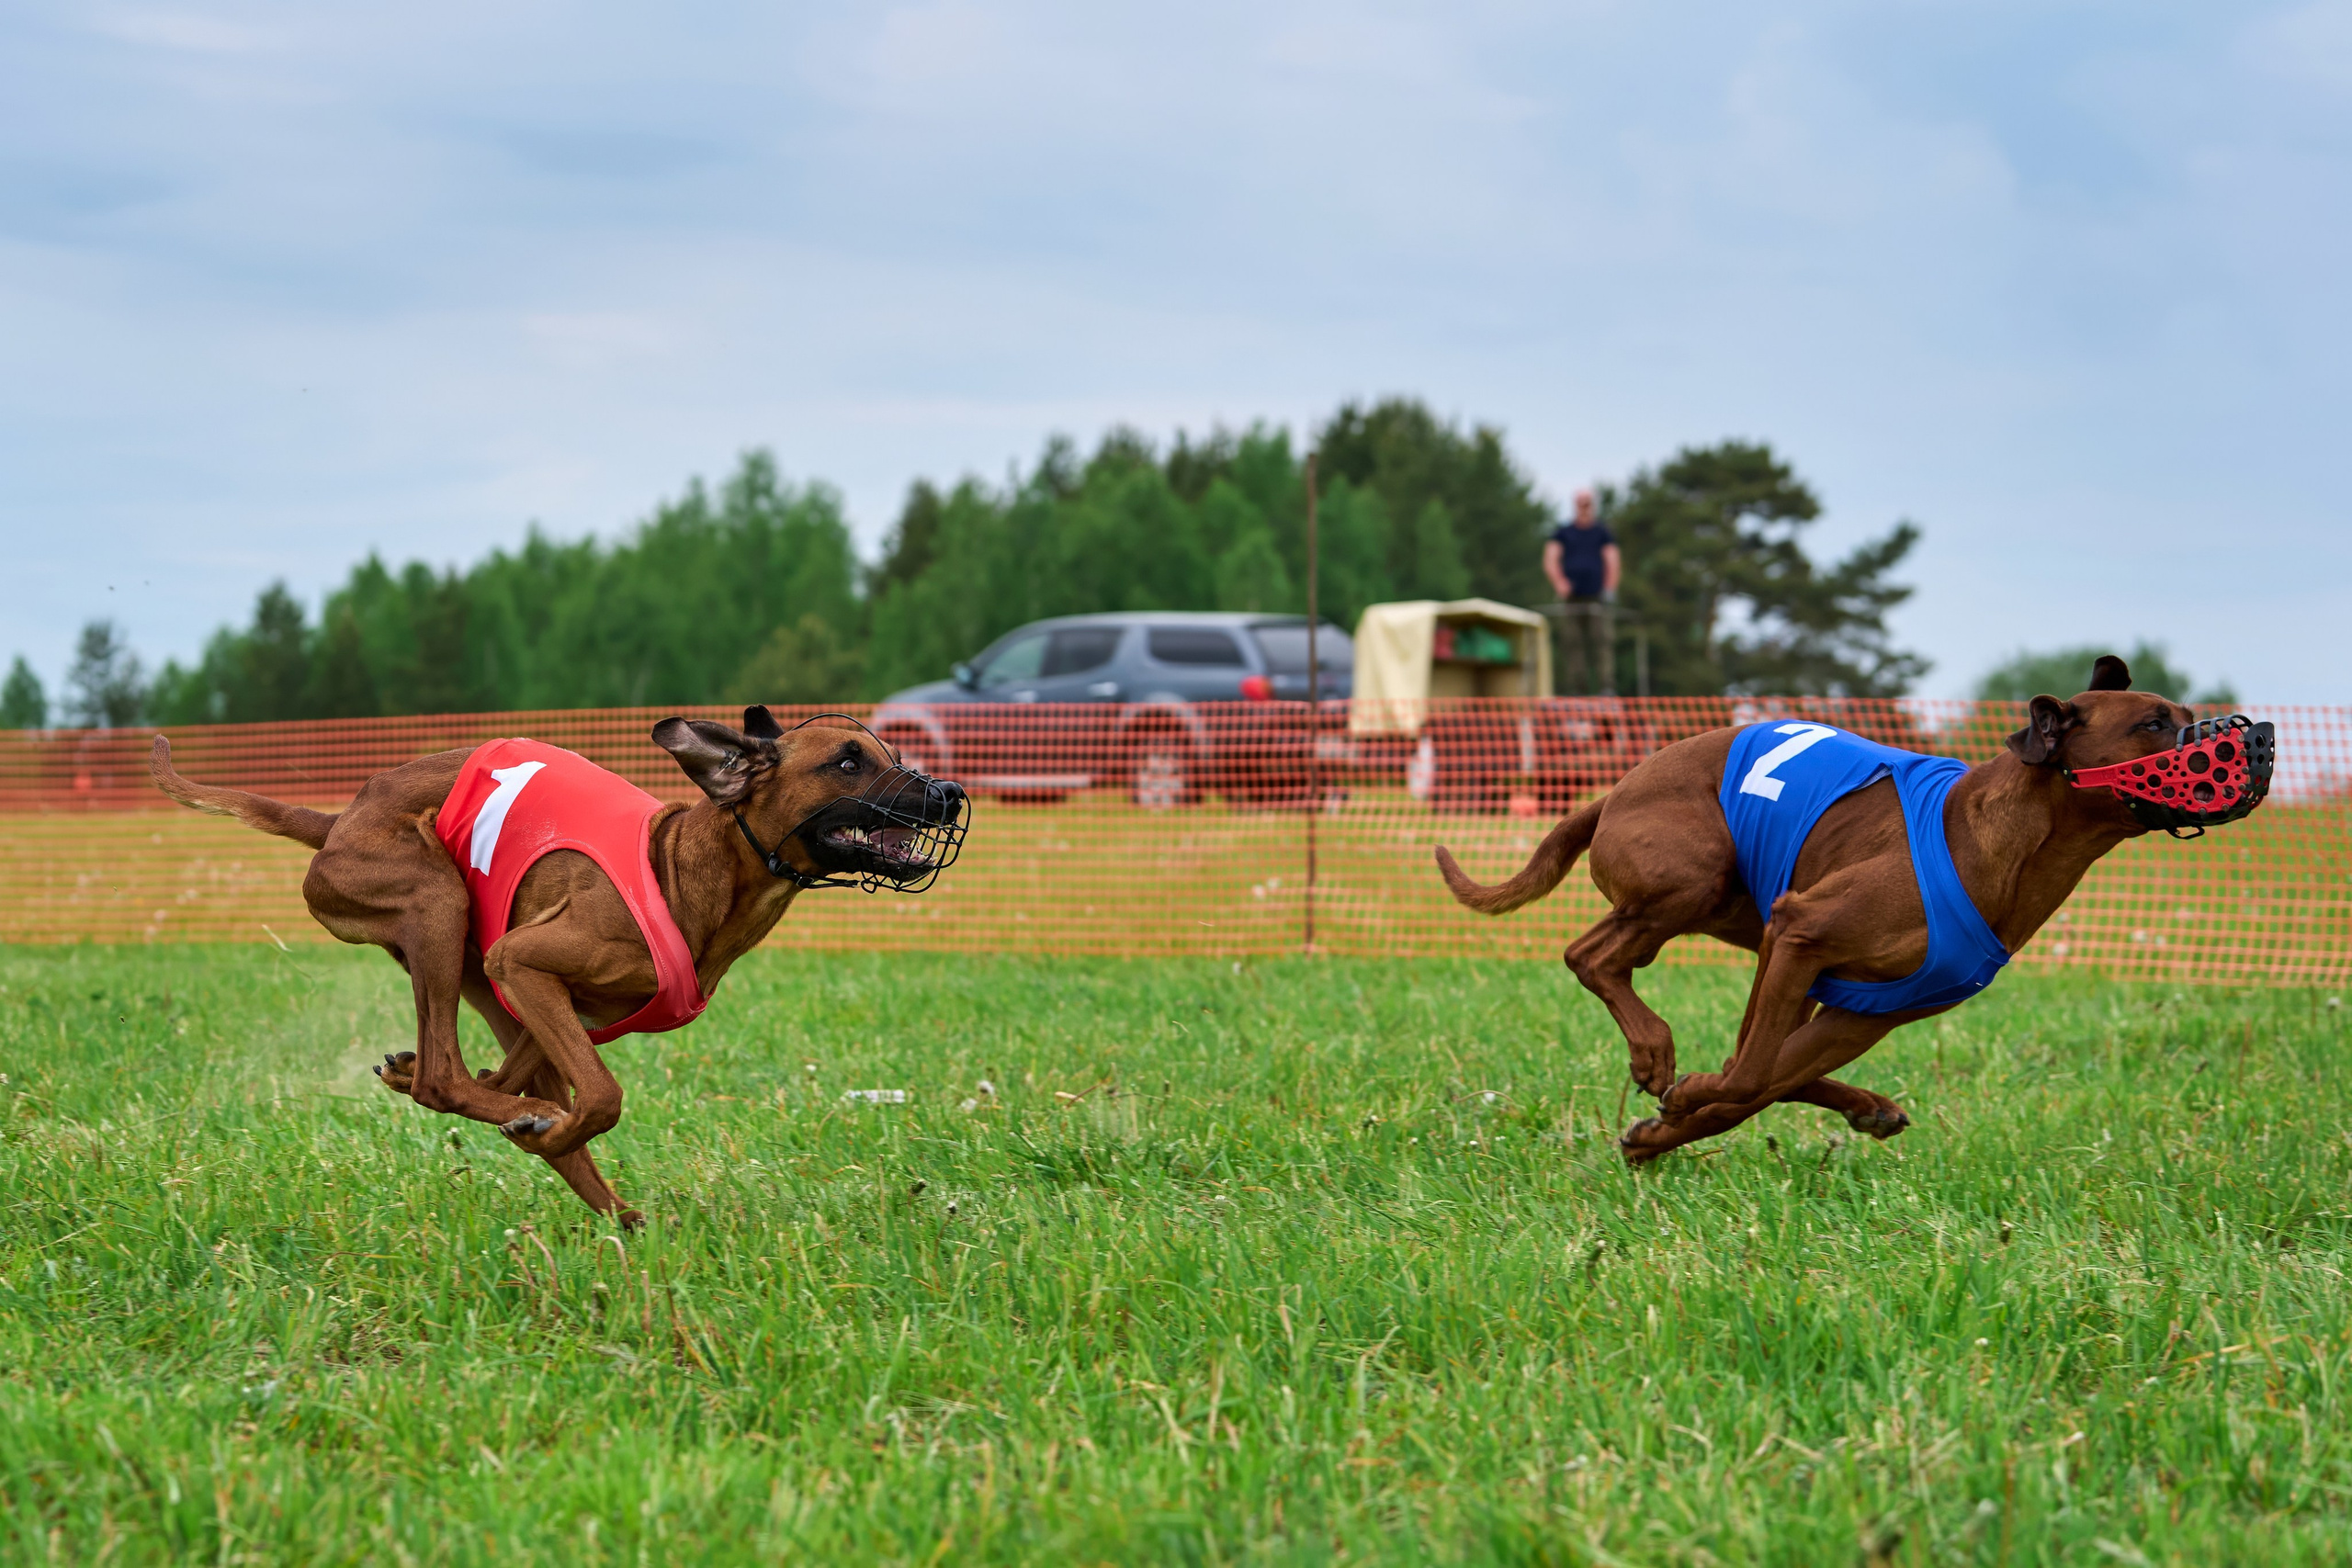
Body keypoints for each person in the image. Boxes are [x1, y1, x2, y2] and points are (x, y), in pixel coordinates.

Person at [1543, 488, 1620, 694]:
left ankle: (1606, 688)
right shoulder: (1564, 532)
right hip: (1572, 599)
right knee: (1572, 644)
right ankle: (1578, 689)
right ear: (1575, 505)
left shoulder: (1602, 532)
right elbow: (1551, 559)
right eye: (1581, 503)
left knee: (1602, 642)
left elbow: (1612, 559)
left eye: (1588, 502)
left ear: (1592, 504)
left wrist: (1610, 587)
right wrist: (1559, 583)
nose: (1585, 507)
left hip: (1597, 598)